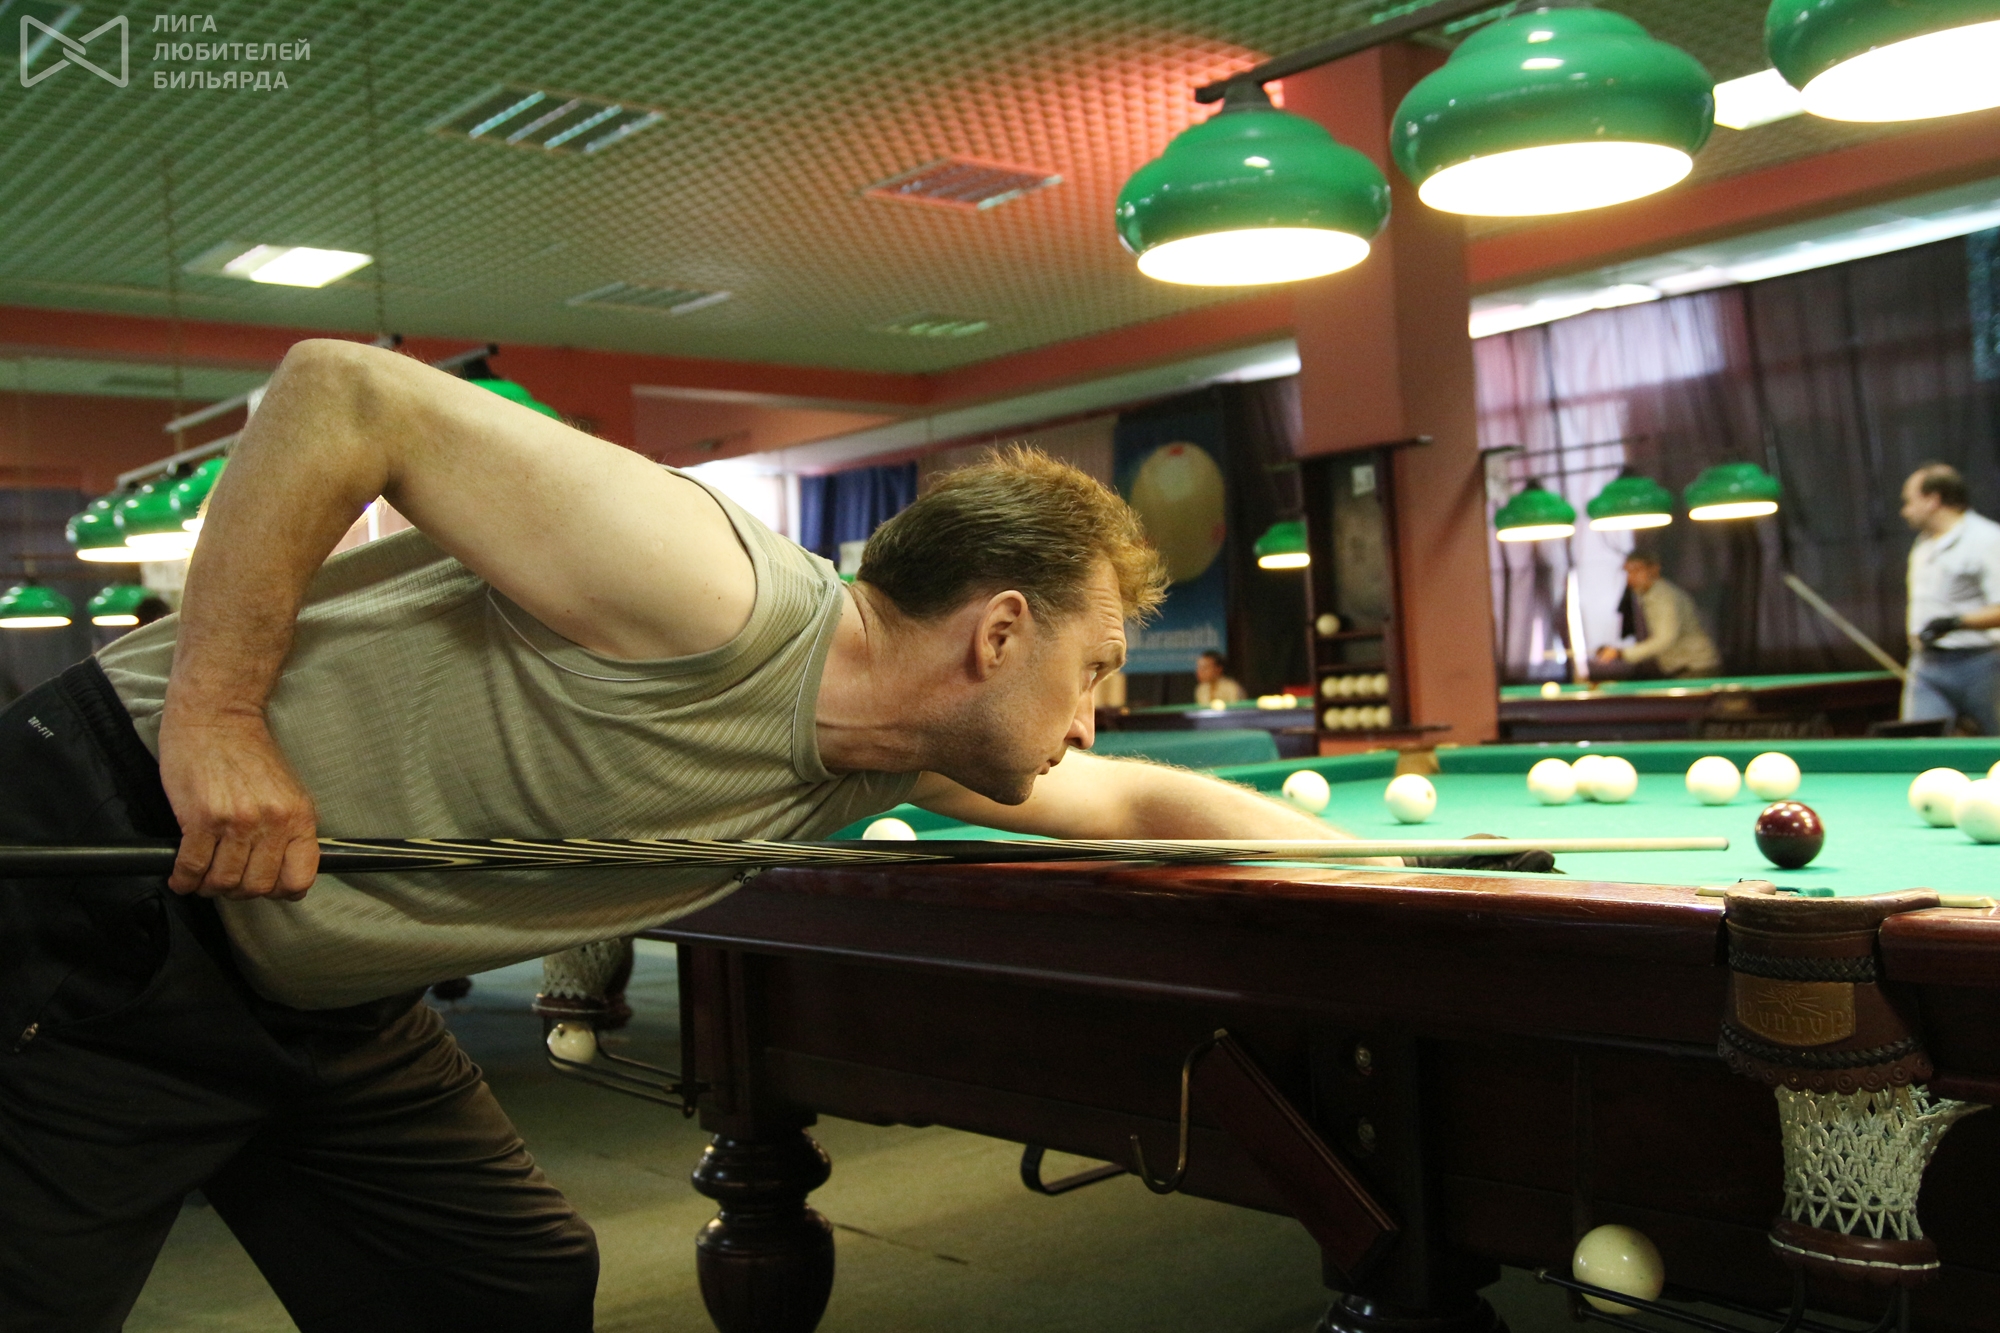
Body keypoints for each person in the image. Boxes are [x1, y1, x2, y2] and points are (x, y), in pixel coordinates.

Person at [0, 341, 1550, 1332]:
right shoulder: (709, 585)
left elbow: (1141, 804)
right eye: (1090, 674)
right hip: (98, 877)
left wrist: (1400, 873)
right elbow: (342, 392)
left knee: (504, 1282)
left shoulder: (885, 757)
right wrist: (219, 717)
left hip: (320, 993)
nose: (1090, 723)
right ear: (999, 633)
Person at [1899, 462, 2000, 735]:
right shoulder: (1923, 543)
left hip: (1983, 665)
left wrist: (1957, 622)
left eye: (1909, 501)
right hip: (1926, 665)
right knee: (1920, 744)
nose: (1904, 511)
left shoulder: (1988, 540)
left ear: (1932, 500)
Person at [1593, 552, 1721, 679]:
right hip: (1687, 668)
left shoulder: (1663, 597)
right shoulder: (1647, 594)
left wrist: (1621, 653)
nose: (1631, 577)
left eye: (1637, 570)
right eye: (1628, 572)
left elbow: (1664, 639)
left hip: (1696, 669)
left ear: (1654, 569)